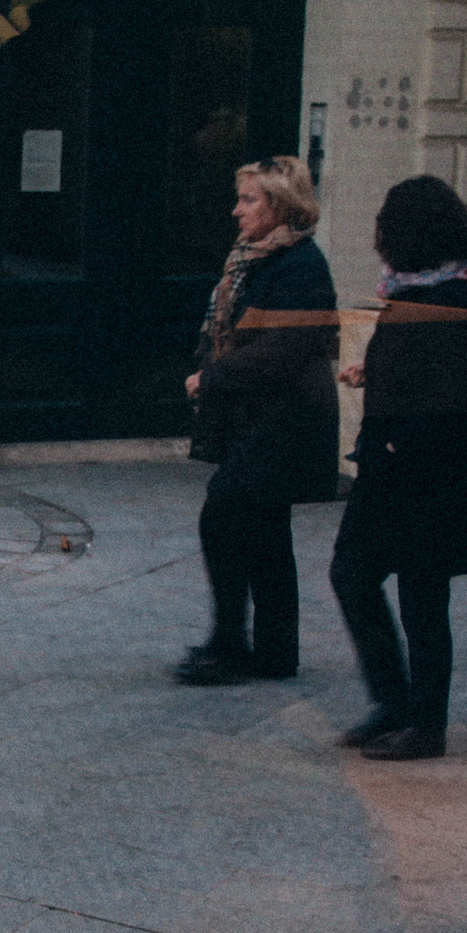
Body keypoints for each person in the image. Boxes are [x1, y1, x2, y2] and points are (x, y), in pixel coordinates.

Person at [330, 176, 467, 761]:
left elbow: (450, 393)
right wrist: (372, 374)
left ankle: (426, 724)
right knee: (352, 573)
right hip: (395, 463)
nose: (378, 239)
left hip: (425, 470)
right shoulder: (417, 292)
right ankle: (393, 702)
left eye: (386, 226)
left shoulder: (453, 298)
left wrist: (398, 442)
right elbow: (417, 366)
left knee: (423, 595)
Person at [177, 156, 339, 685]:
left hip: (289, 417)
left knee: (224, 513)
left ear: (280, 205)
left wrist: (214, 377)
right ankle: (272, 652)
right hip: (261, 415)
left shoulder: (301, 265)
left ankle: (230, 645)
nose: (236, 210)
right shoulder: (256, 258)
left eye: (249, 200)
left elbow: (286, 348)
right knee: (265, 528)